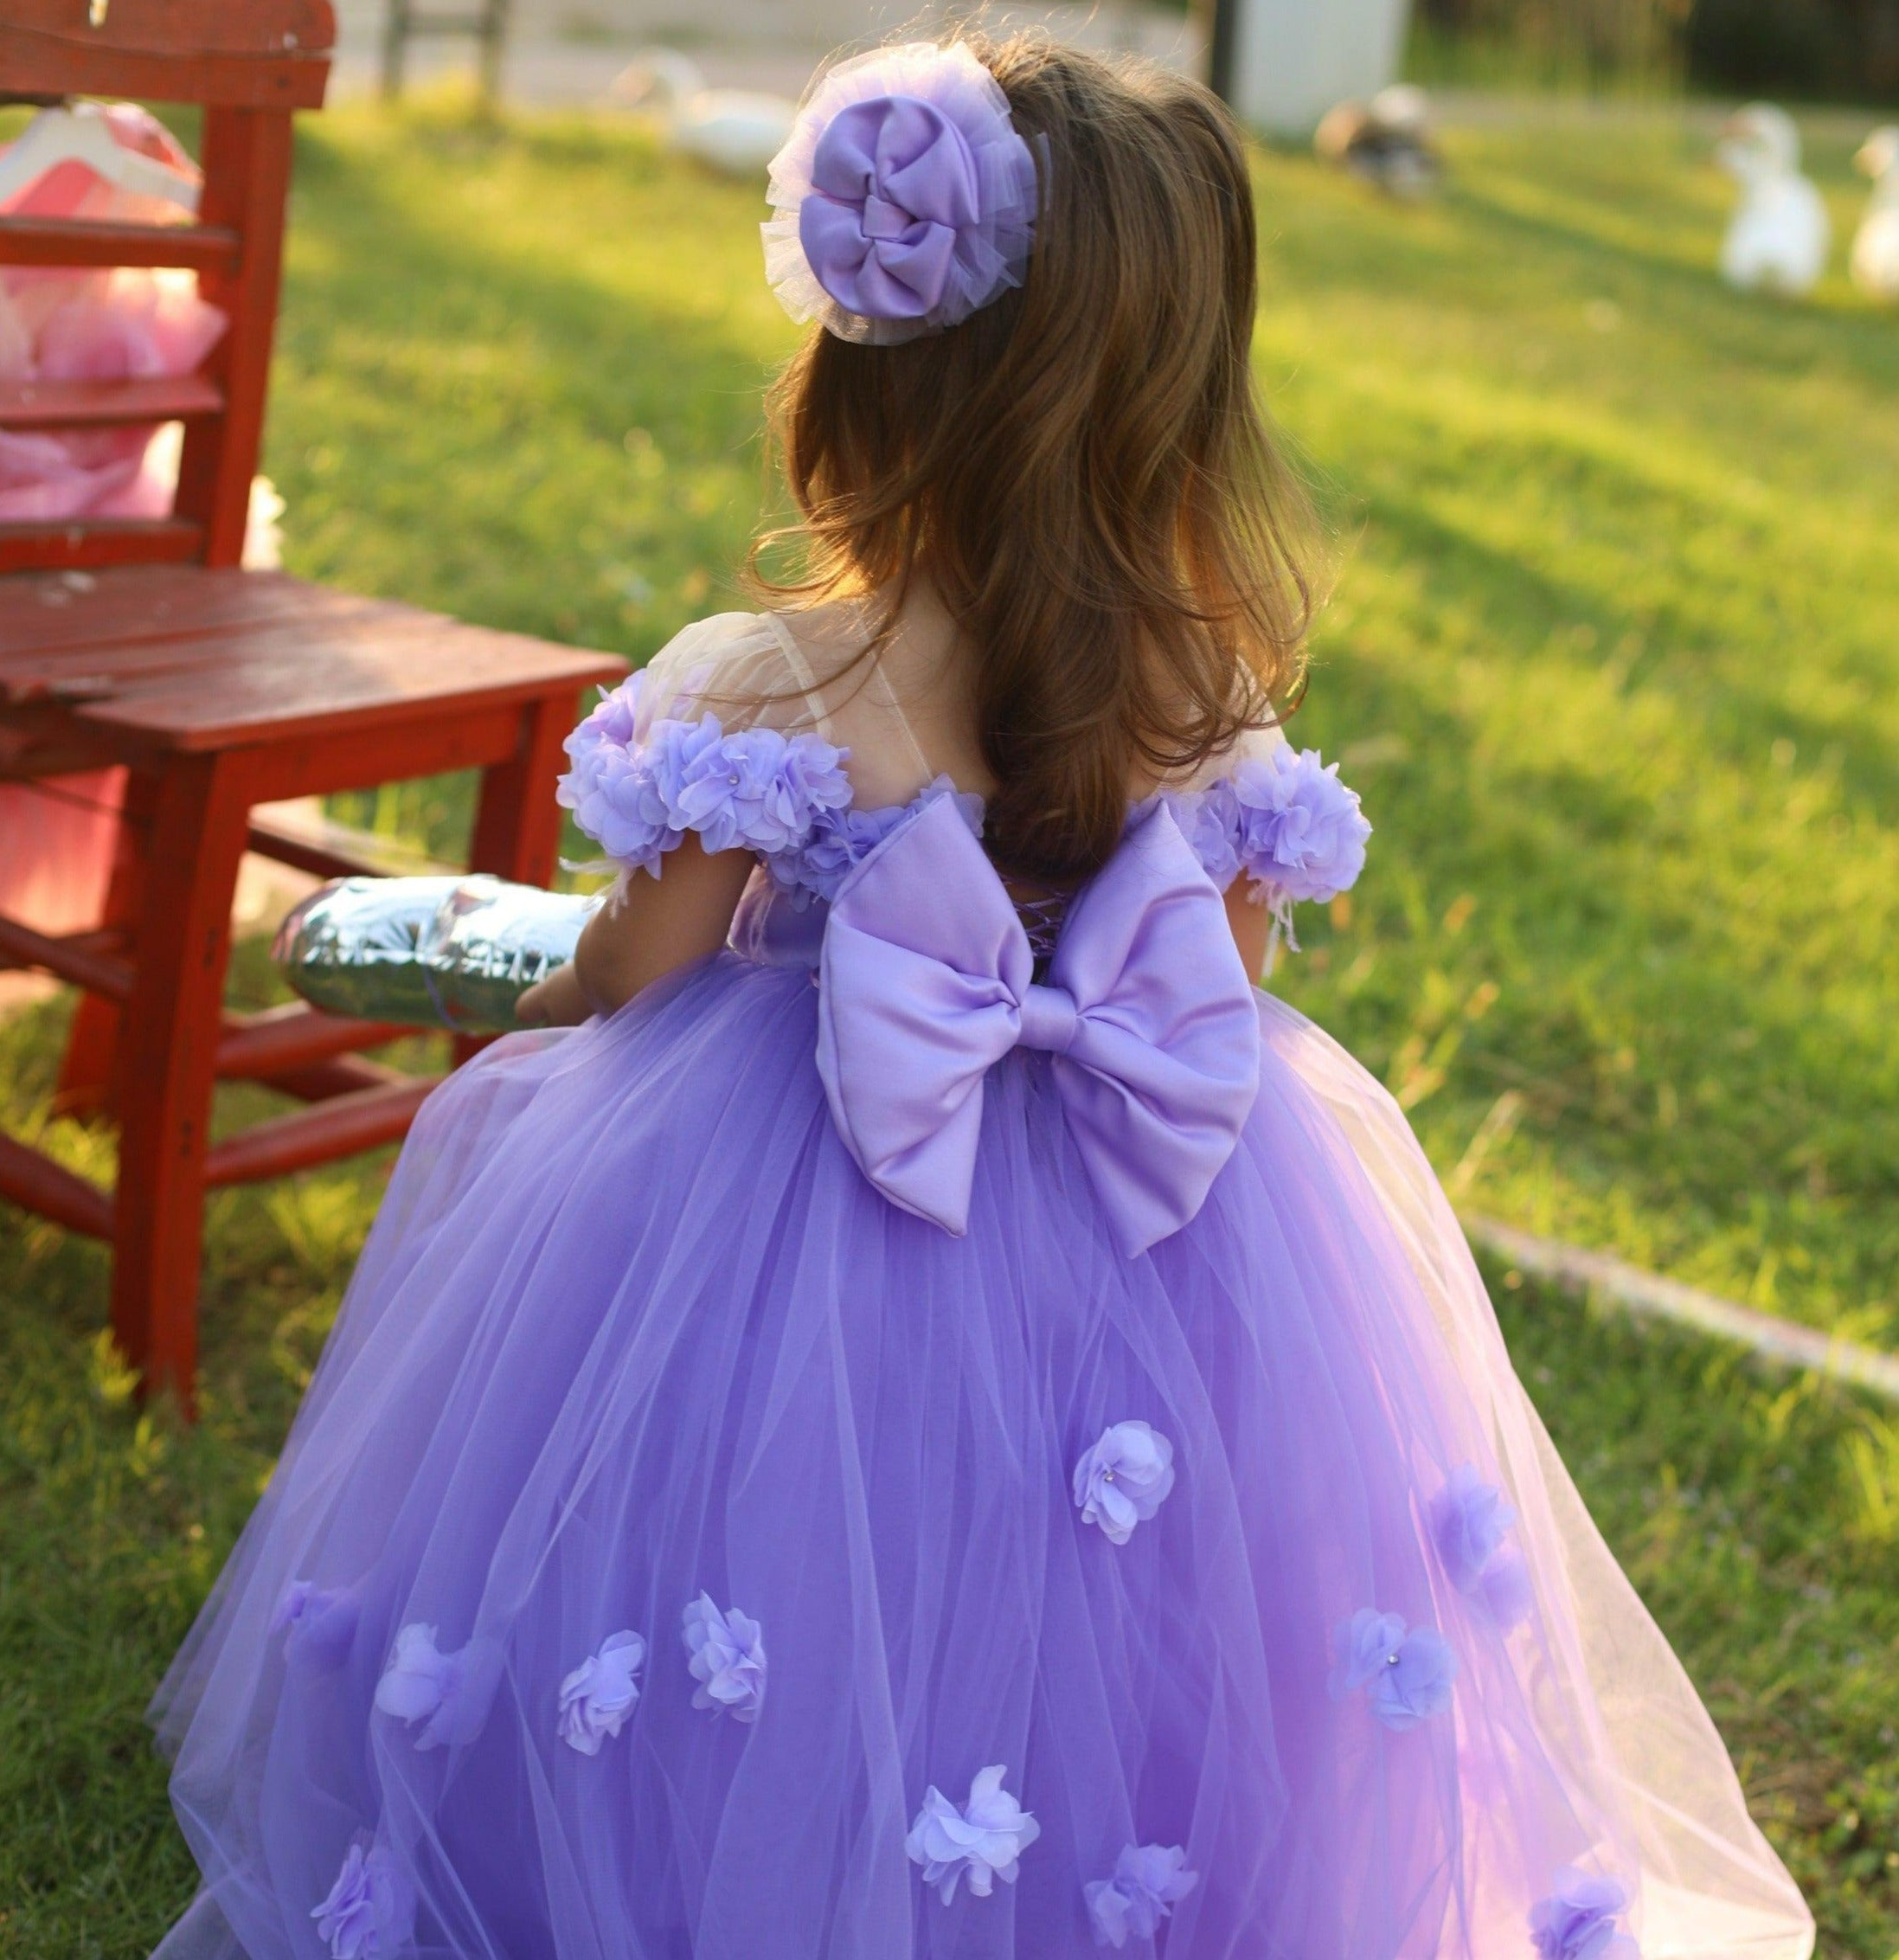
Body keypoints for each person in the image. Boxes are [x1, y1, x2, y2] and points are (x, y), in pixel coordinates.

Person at [150, 34, 1813, 1960]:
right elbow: (1214, 1001)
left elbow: (632, 969)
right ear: (1185, 401)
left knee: (751, 1558)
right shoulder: (1209, 700)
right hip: (1150, 1228)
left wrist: (526, 974)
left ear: (865, 362)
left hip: (767, 1204)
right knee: (1129, 1591)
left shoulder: (767, 681)